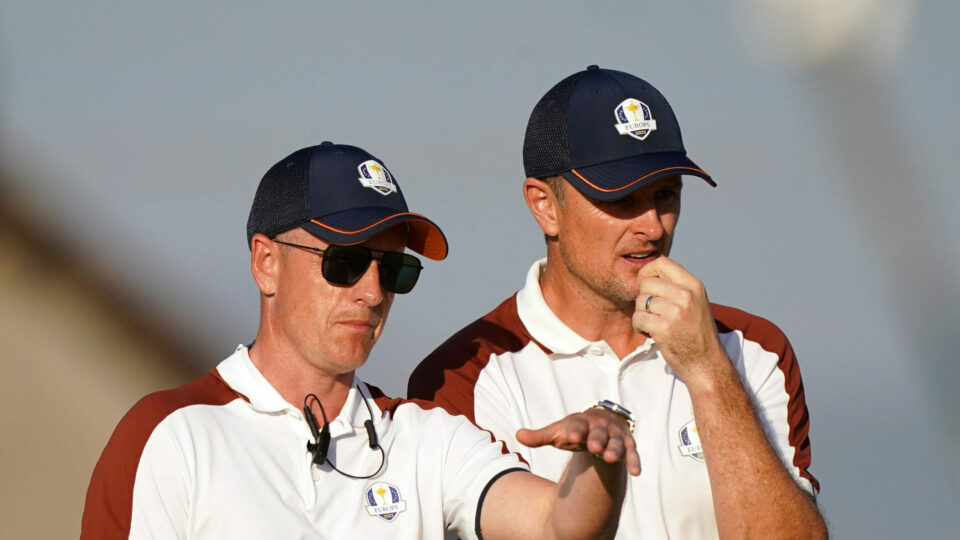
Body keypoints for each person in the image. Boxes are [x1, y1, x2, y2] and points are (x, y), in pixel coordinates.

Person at [80, 141, 641, 539]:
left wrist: (603, 458)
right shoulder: (172, 435)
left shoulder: (426, 439)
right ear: (266, 262)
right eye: (345, 263)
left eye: (394, 269)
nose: (373, 293)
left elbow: (560, 528)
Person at [409, 66, 828, 539]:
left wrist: (709, 373)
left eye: (666, 194)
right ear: (545, 205)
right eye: (622, 198)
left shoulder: (754, 349)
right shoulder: (463, 377)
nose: (652, 226)